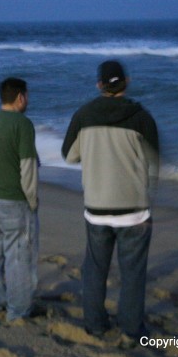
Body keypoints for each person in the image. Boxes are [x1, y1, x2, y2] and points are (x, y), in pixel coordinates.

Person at [61, 60, 159, 341]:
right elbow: (154, 163)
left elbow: (69, 155)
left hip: (97, 207)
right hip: (134, 210)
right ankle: (130, 330)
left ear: (99, 85)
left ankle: (95, 325)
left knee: (95, 269)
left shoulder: (83, 115)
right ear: (126, 82)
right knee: (133, 273)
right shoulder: (142, 117)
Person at [0, 77, 39, 322]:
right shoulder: (23, 125)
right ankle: (18, 310)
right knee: (19, 257)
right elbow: (28, 167)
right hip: (13, 200)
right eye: (27, 95)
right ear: (20, 97)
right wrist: (32, 201)